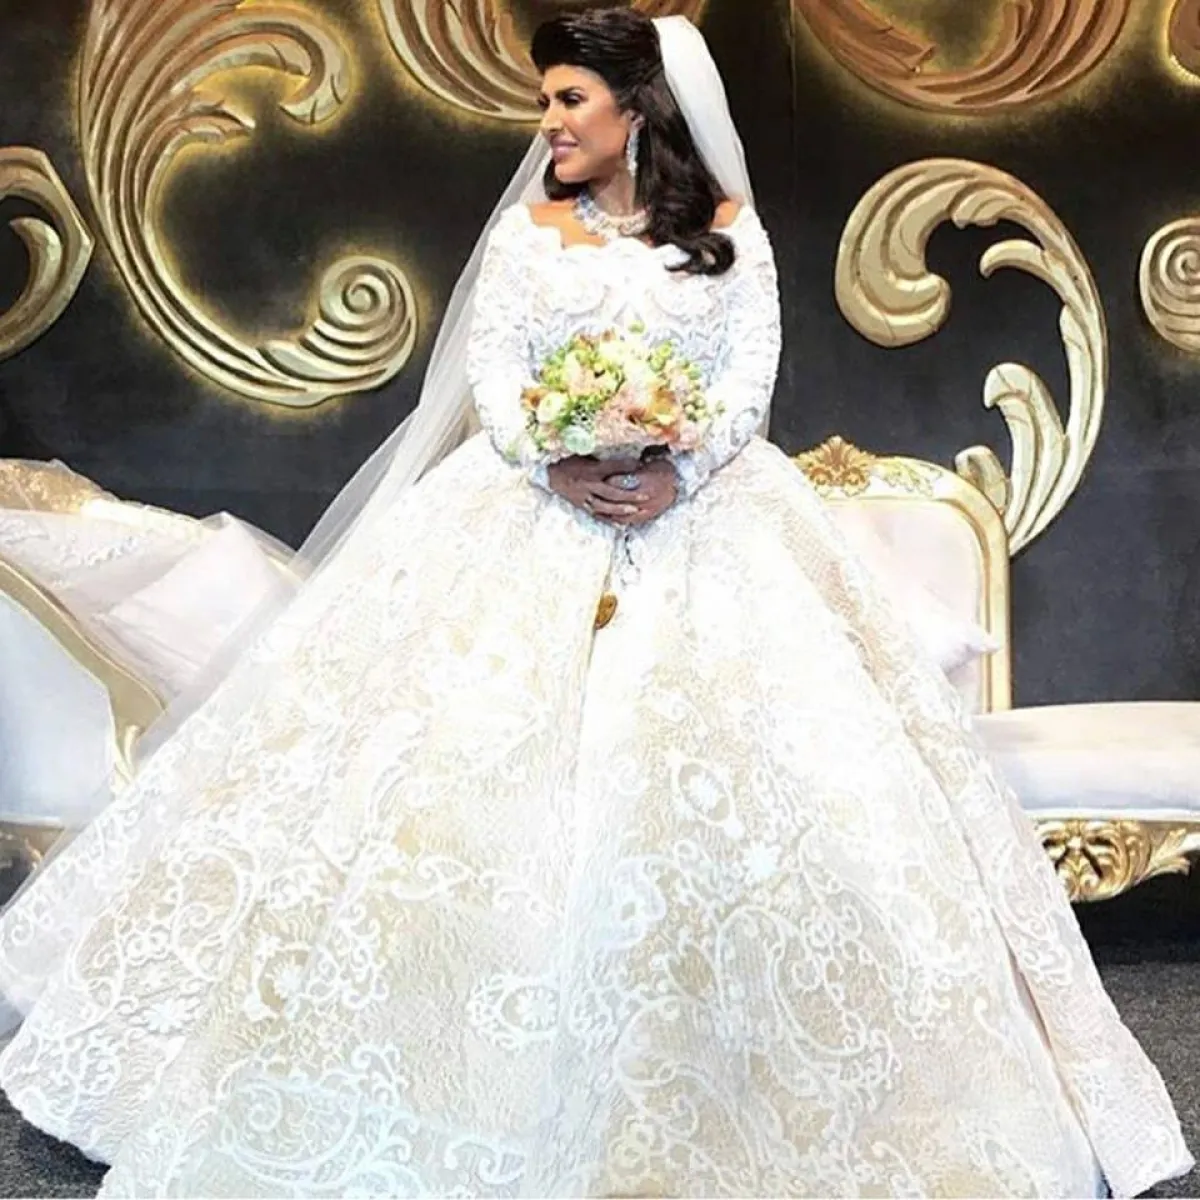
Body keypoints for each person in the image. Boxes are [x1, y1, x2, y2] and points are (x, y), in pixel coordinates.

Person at [0, 10, 1189, 1198]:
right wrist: (558, 457)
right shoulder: (532, 239)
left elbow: (745, 388)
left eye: (571, 98)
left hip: (707, 526)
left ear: (638, 108)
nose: (551, 122)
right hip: (530, 517)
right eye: (547, 99)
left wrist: (677, 464)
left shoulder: (729, 238)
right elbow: (498, 383)